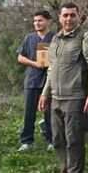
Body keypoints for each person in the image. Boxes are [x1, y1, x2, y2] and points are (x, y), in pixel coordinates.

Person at [38, 2, 88, 173]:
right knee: (57, 140)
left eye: (72, 15)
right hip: (56, 97)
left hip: (75, 97)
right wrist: (45, 93)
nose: (68, 19)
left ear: (78, 16)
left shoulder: (85, 37)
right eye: (65, 15)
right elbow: (51, 69)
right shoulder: (55, 39)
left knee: (74, 140)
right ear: (59, 17)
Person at [16, 10, 56, 151]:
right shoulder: (29, 38)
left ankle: (52, 140)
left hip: (50, 81)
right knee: (29, 112)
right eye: (35, 21)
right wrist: (35, 64)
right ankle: (26, 141)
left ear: (48, 21)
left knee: (50, 112)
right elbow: (20, 57)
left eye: (40, 20)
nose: (37, 23)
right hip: (32, 80)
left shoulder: (55, 38)